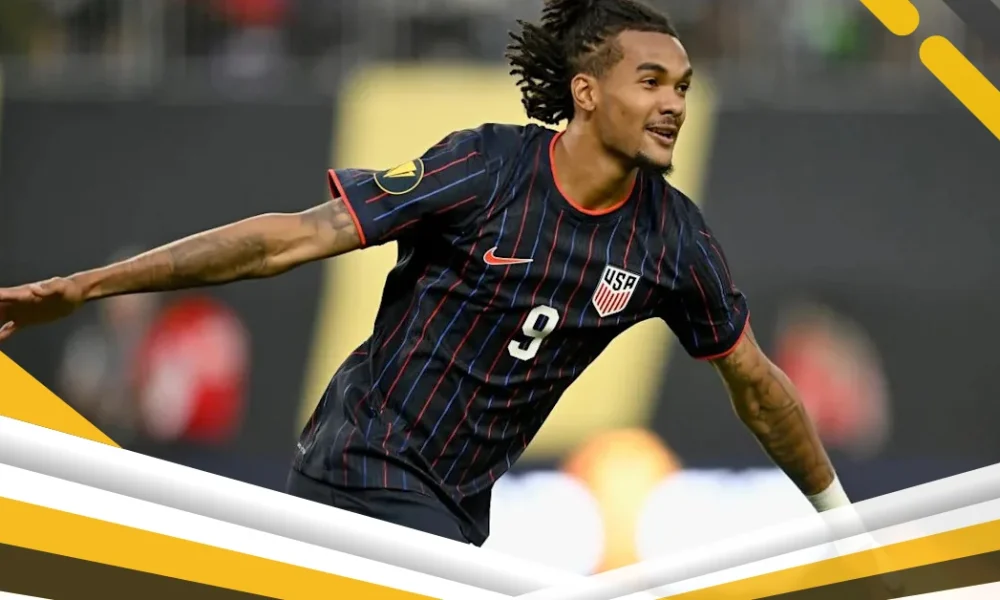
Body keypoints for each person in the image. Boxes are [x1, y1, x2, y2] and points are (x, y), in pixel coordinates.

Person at [0, 0, 852, 547]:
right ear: (587, 92)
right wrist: (87, 287)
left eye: (684, 86)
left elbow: (757, 386)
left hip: (455, 508)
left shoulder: (673, 240)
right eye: (652, 81)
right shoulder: (486, 167)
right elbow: (289, 240)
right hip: (360, 470)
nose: (673, 103)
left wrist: (842, 521)